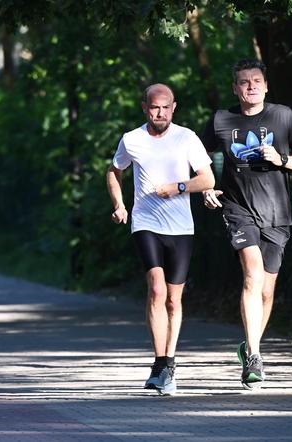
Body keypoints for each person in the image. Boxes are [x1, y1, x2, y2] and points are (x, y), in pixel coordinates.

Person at [200, 59, 292, 389]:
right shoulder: (222, 120)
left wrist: (281, 159)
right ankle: (254, 357)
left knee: (266, 291)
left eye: (256, 80)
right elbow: (196, 158)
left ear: (266, 86)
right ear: (235, 88)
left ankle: (252, 345)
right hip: (238, 209)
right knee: (251, 273)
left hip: (277, 214)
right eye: (243, 81)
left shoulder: (283, 117)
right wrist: (206, 187)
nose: (250, 86)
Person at [106, 84, 214, 395]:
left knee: (173, 298)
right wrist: (119, 205)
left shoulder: (186, 137)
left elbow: (207, 178)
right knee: (156, 289)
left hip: (181, 227)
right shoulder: (132, 139)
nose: (160, 113)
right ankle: (159, 361)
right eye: (155, 107)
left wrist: (179, 187)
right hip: (146, 223)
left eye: (166, 107)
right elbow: (114, 171)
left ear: (174, 107)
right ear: (144, 108)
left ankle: (170, 363)